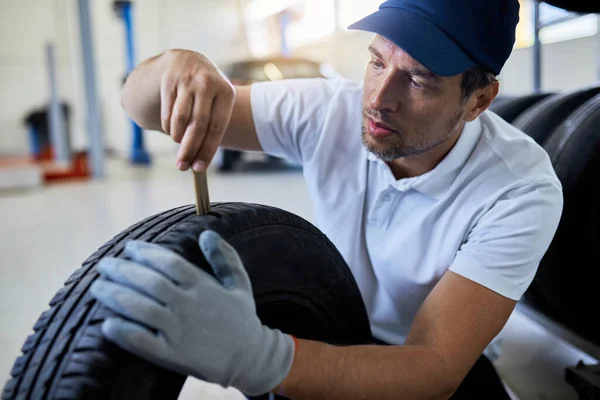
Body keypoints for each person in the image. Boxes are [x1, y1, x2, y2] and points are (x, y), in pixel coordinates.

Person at [90, 0, 564, 398]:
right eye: (377, 61)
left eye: (418, 81)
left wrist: (261, 358)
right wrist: (176, 66)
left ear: (479, 101)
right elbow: (143, 107)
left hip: (440, 370)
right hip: (335, 324)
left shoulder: (518, 188)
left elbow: (435, 366)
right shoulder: (328, 110)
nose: (379, 97)